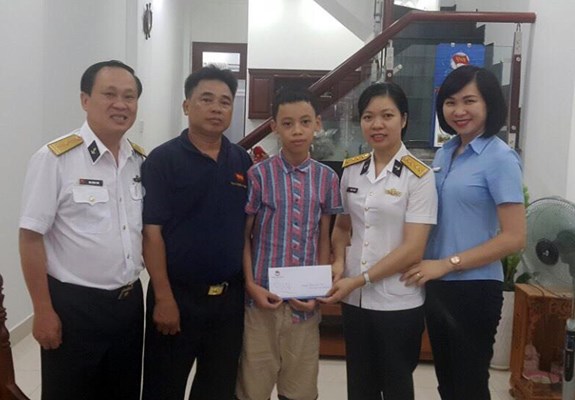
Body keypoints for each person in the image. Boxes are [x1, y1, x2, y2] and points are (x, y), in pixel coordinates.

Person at [19, 60, 145, 400]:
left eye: (129, 96)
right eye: (109, 94)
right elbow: (30, 237)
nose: (120, 104)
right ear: (85, 100)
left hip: (128, 304)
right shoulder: (55, 159)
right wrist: (42, 310)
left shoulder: (138, 161)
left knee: (123, 392)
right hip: (75, 307)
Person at [402, 65, 526, 400]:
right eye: (450, 102)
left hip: (474, 288)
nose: (459, 110)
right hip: (436, 284)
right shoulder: (446, 152)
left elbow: (514, 237)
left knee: (469, 386)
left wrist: (447, 263)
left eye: (469, 101)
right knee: (448, 383)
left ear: (489, 104)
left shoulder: (500, 159)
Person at [141, 66, 252, 400]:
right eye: (206, 99)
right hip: (177, 296)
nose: (217, 108)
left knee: (218, 389)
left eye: (225, 102)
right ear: (187, 105)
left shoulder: (241, 161)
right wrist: (164, 298)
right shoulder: (162, 160)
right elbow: (151, 234)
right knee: (164, 387)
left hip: (228, 302)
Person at [322, 82, 438, 400]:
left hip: (397, 300)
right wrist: (338, 261)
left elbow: (414, 248)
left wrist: (360, 279)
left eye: (387, 115)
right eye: (368, 117)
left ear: (404, 119)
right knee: (360, 385)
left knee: (397, 384)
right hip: (354, 299)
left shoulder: (420, 176)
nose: (377, 124)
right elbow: (342, 227)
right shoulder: (352, 170)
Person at [235, 88, 343, 400]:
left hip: (303, 304)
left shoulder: (327, 178)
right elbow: (245, 236)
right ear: (274, 127)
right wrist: (251, 285)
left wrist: (317, 289)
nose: (297, 130)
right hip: (261, 300)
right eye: (287, 123)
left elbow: (323, 236)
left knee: (300, 388)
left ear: (317, 124)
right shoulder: (258, 175)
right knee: (253, 386)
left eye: (305, 122)